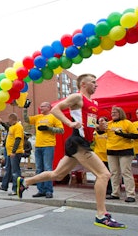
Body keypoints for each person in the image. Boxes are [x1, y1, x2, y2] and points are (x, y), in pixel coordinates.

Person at [16, 73, 126, 230]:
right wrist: (70, 123)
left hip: (83, 142)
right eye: (93, 82)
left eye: (96, 83)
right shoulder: (77, 97)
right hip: (77, 143)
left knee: (57, 175)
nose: (96, 85)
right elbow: (55, 109)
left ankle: (24, 182)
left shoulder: (93, 102)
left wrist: (99, 128)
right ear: (83, 85)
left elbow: (88, 124)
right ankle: (101, 215)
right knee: (104, 174)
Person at [22, 101, 64, 198]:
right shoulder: (38, 117)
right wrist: (25, 109)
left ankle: (49, 190)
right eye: (40, 106)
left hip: (48, 145)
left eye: (43, 106)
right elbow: (27, 120)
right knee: (39, 169)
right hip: (38, 146)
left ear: (48, 107)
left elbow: (61, 130)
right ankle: (41, 190)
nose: (40, 108)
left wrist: (48, 129)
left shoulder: (53, 117)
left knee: (48, 168)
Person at [105, 106, 137, 203]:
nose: (113, 114)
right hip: (111, 151)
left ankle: (130, 195)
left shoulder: (127, 123)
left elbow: (136, 135)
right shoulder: (108, 124)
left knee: (125, 172)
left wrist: (122, 134)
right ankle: (115, 193)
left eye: (115, 112)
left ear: (121, 113)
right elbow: (100, 132)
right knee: (114, 173)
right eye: (112, 112)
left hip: (125, 150)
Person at [0, 113, 24, 195]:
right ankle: (4, 185)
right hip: (9, 152)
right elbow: (7, 128)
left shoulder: (18, 126)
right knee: (8, 169)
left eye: (9, 120)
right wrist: (1, 123)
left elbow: (18, 139)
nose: (8, 121)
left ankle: (16, 189)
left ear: (12, 119)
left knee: (15, 171)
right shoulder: (12, 127)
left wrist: (14, 151)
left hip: (14, 152)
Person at [91, 116, 112, 196]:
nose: (100, 122)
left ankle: (109, 189)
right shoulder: (94, 132)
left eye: (102, 121)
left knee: (108, 173)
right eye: (99, 121)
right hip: (98, 155)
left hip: (108, 155)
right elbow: (91, 142)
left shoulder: (109, 132)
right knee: (99, 173)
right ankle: (100, 188)